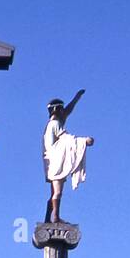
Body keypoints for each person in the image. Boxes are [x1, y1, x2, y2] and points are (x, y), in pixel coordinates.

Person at [42, 89, 92, 224]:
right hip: (56, 162)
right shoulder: (55, 124)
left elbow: (68, 111)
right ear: (57, 110)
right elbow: (67, 138)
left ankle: (48, 219)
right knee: (57, 192)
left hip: (53, 162)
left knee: (54, 193)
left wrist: (76, 98)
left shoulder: (53, 123)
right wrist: (84, 141)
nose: (64, 111)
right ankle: (56, 217)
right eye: (61, 109)